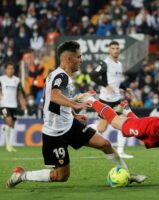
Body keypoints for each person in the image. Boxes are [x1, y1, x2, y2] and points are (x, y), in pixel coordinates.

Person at [6, 41, 146, 188]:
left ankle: (127, 174)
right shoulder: (61, 76)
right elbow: (54, 96)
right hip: (55, 134)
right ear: (68, 59)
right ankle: (22, 175)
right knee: (61, 176)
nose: (81, 60)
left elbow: (55, 103)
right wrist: (75, 104)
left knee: (105, 144)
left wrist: (73, 114)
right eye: (79, 57)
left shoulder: (62, 76)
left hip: (70, 125)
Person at [94, 41, 133, 159]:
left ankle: (120, 151)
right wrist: (105, 85)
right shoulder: (105, 63)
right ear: (109, 50)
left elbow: (117, 82)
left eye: (117, 48)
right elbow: (93, 75)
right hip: (105, 100)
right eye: (113, 48)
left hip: (117, 100)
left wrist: (126, 88)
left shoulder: (119, 64)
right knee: (101, 128)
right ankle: (82, 131)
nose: (115, 50)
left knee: (124, 122)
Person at [0, 62, 27, 152]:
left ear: (14, 70)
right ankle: (8, 146)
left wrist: (23, 104)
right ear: (5, 70)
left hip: (14, 105)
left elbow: (19, 93)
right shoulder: (1, 79)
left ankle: (10, 145)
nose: (10, 70)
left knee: (12, 125)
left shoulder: (17, 80)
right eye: (9, 68)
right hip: (4, 105)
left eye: (12, 68)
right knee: (10, 122)